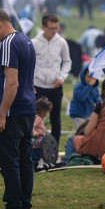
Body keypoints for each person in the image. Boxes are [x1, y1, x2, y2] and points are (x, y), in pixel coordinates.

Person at [0, 8, 36, 209]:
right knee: (25, 162)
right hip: (27, 110)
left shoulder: (8, 43)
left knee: (10, 163)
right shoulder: (25, 40)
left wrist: (2, 114)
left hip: (13, 114)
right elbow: (22, 81)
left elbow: (12, 83)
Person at [32, 14, 71, 146]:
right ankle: (33, 148)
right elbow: (28, 63)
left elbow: (67, 62)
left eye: (56, 28)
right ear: (43, 27)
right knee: (33, 118)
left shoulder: (61, 42)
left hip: (55, 86)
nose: (54, 31)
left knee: (56, 119)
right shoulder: (34, 43)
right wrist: (30, 81)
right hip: (38, 85)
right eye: (51, 28)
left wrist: (61, 77)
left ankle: (53, 151)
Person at [69, 65, 102, 132]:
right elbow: (81, 97)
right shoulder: (78, 87)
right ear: (83, 76)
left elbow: (96, 97)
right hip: (77, 114)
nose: (91, 79)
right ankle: (77, 141)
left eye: (93, 77)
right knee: (83, 130)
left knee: (87, 130)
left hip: (88, 114)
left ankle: (80, 140)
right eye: (89, 77)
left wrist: (100, 102)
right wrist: (89, 86)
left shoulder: (94, 88)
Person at [31, 96, 53, 167]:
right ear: (42, 111)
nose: (46, 114)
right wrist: (35, 133)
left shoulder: (39, 118)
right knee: (35, 155)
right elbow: (31, 128)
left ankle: (37, 164)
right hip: (35, 141)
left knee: (39, 153)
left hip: (38, 142)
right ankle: (33, 166)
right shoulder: (37, 118)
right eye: (46, 112)